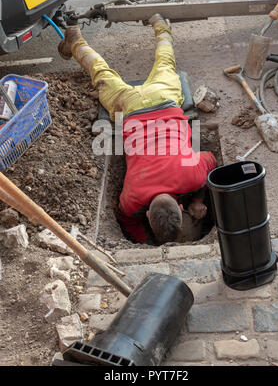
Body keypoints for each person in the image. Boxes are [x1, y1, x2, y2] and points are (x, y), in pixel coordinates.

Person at [58, 14, 217, 244]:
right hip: (130, 106)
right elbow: (127, 219)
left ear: (180, 207)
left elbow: (209, 159)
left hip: (164, 99)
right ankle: (75, 40)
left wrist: (196, 194)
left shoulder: (191, 176)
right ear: (179, 207)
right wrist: (198, 201)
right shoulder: (132, 198)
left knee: (165, 62)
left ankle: (160, 24)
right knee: (101, 74)